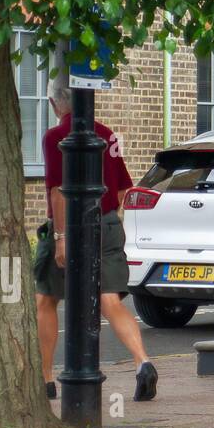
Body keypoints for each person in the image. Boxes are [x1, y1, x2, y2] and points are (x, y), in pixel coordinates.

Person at [34, 75, 158, 401]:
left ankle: (47, 379)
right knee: (109, 301)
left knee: (46, 299)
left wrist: (60, 237)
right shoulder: (108, 135)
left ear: (54, 103)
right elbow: (121, 189)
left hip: (69, 226)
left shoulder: (55, 136)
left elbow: (58, 192)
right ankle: (142, 361)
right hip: (107, 223)